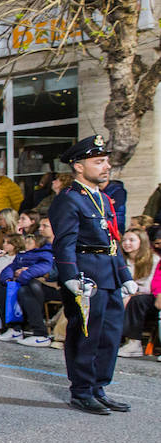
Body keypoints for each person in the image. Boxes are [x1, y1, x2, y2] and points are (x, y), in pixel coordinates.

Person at [49, 135, 136, 414]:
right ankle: (82, 390)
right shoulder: (70, 199)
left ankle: (99, 387)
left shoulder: (104, 199)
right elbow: (64, 242)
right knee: (86, 334)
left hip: (108, 272)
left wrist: (124, 275)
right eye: (99, 162)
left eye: (106, 161)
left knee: (109, 335)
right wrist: (70, 276)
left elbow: (113, 240)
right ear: (78, 166)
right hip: (86, 275)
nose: (106, 166)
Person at [118, 229, 159, 358]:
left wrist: (131, 294)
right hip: (124, 295)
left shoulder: (154, 259)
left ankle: (134, 343)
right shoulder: (120, 260)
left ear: (142, 242)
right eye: (124, 240)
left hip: (149, 298)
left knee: (137, 301)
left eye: (132, 240)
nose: (126, 243)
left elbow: (151, 286)